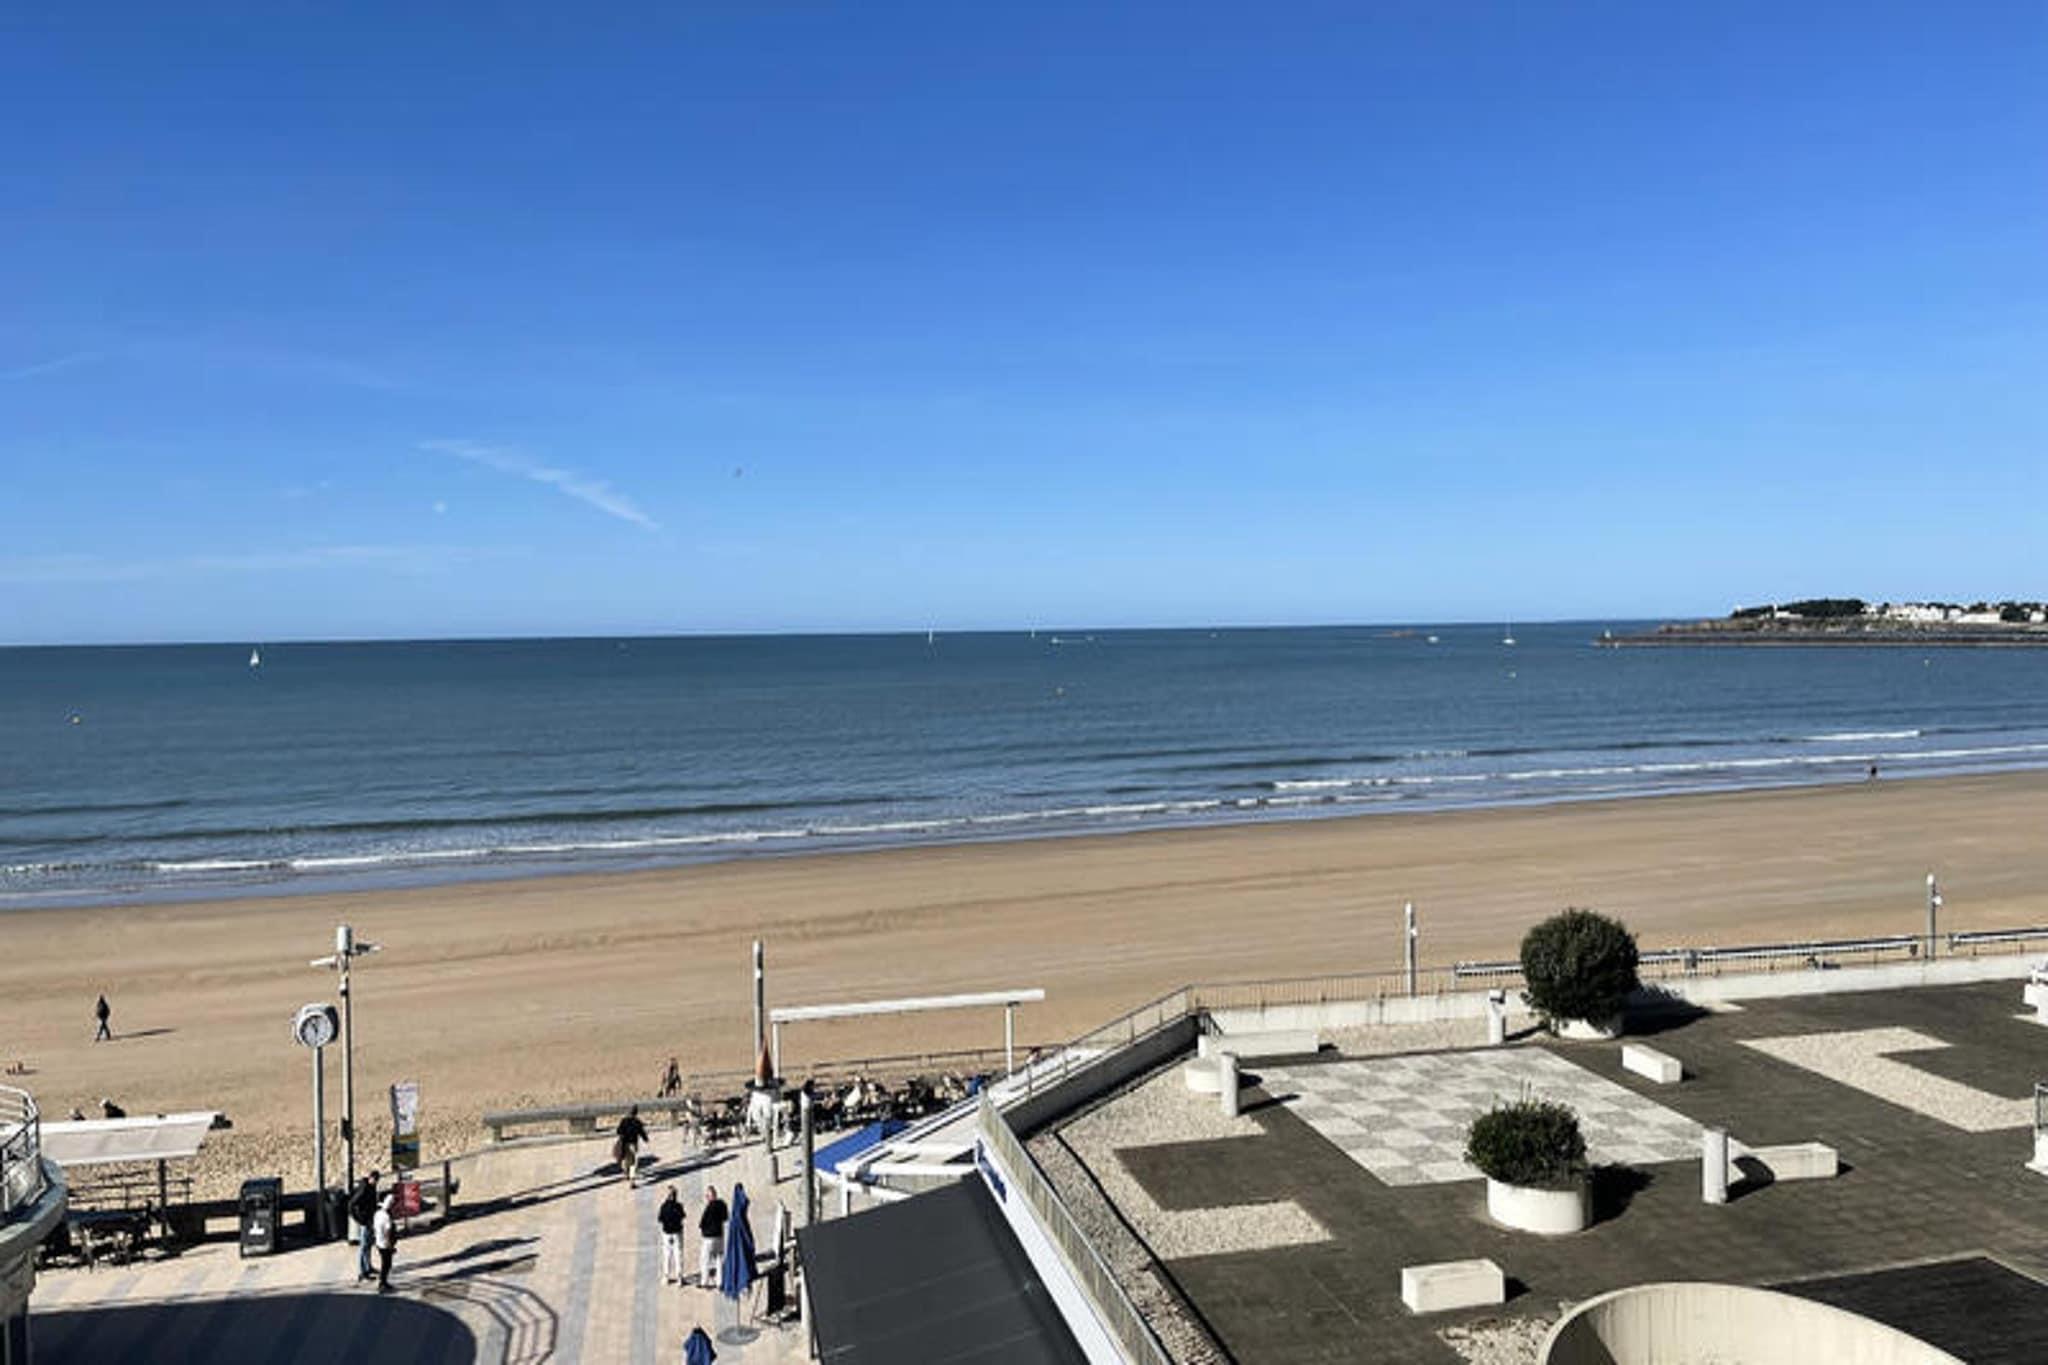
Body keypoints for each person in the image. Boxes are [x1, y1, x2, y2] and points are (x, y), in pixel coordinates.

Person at [349, 1171, 381, 1282]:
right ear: (370, 1178)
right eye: (375, 1180)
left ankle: (368, 1267)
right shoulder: (364, 1189)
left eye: (377, 1181)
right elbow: (351, 1204)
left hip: (370, 1219)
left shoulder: (371, 1186)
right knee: (364, 1246)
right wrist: (360, 1219)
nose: (375, 1183)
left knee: (368, 1244)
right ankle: (362, 1272)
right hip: (365, 1221)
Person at [698, 1184, 728, 1289]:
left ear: (710, 1196)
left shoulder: (709, 1208)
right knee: (719, 1259)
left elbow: (702, 1223)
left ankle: (705, 1281)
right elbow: (725, 1217)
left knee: (705, 1259)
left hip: (708, 1238)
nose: (706, 1198)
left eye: (707, 1195)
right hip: (719, 1235)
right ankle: (720, 1282)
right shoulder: (722, 1204)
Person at [658, 1187, 686, 1284]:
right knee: (678, 1254)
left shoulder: (664, 1206)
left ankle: (666, 1276)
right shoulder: (678, 1206)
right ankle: (679, 1277)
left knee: (667, 1255)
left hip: (667, 1233)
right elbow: (683, 1216)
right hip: (677, 1232)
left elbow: (660, 1219)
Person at [616, 1105, 650, 1184]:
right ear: (636, 1113)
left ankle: (626, 1172)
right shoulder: (637, 1122)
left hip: (624, 1144)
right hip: (633, 1144)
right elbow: (642, 1132)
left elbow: (618, 1131)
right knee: (633, 1162)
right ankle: (632, 1179)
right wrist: (646, 1139)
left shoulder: (623, 1121)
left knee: (626, 1160)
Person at [372, 1190, 397, 1293]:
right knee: (386, 1264)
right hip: (385, 1244)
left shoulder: (377, 1213)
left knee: (385, 1263)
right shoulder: (386, 1217)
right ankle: (382, 1283)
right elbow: (388, 1232)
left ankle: (384, 1282)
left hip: (379, 1242)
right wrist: (390, 1245)